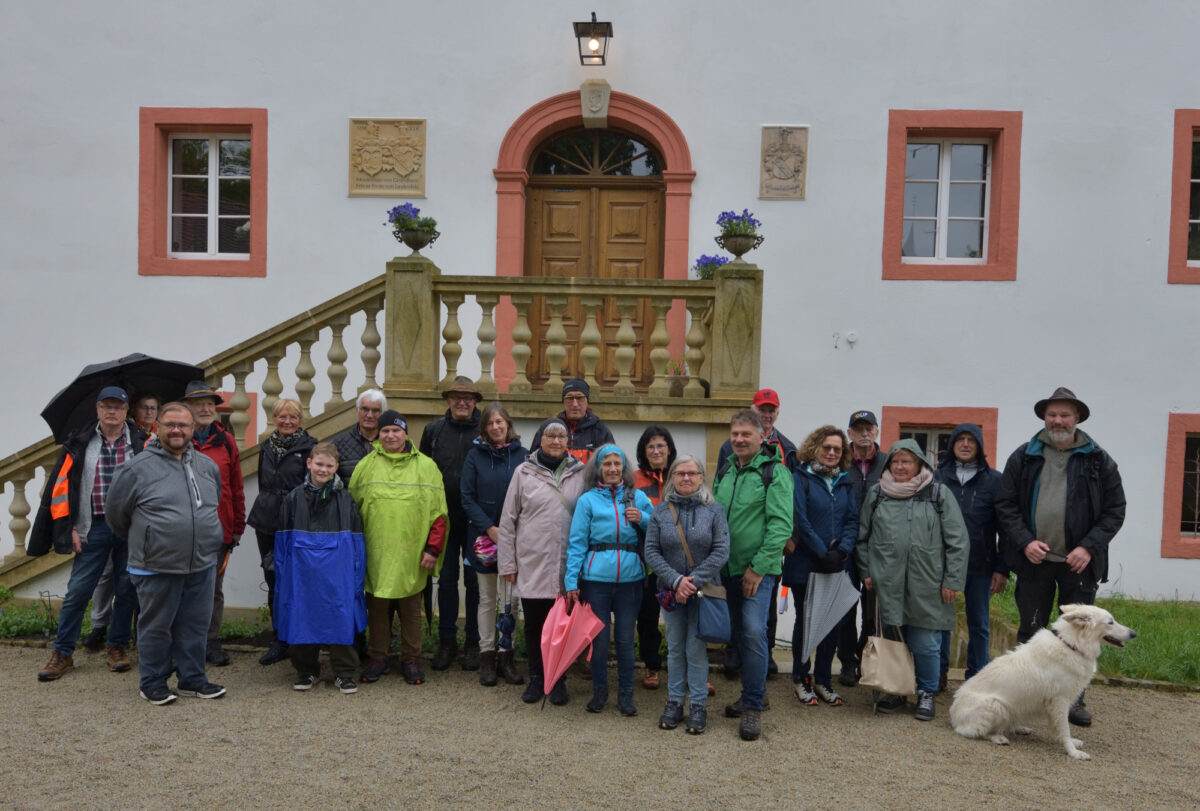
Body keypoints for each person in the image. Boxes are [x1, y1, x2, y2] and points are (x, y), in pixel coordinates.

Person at [995, 387, 1125, 727]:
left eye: (1064, 414)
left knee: (1081, 636)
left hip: (1078, 564)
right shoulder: (1025, 456)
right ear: (1044, 418)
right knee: (1032, 631)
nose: (1057, 420)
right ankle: (1027, 700)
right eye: (1052, 414)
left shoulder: (1098, 459)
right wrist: (1024, 542)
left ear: (1077, 418)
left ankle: (1073, 701)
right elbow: (1005, 505)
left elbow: (1115, 510)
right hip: (1034, 562)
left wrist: (1088, 547)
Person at [105, 402, 226, 704]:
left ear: (192, 429)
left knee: (195, 625)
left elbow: (214, 502)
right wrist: (149, 540)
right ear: (157, 427)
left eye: (182, 425)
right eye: (169, 424)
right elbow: (116, 514)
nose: (176, 430)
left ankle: (192, 679)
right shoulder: (136, 468)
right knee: (156, 627)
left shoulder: (206, 466)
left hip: (201, 563)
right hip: (156, 564)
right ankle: (153, 682)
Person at [31, 386, 149, 681]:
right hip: (91, 526)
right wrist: (69, 527)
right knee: (77, 593)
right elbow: (61, 490)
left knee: (126, 591)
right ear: (97, 410)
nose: (112, 412)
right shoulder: (79, 443)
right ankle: (63, 652)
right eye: (106, 406)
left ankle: (117, 647)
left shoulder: (142, 442)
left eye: (118, 407)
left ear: (126, 411)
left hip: (130, 527)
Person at [857, 439, 968, 721]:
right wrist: (866, 571)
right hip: (887, 581)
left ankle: (926, 692)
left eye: (906, 461)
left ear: (920, 463)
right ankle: (896, 689)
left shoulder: (937, 493)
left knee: (926, 641)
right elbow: (863, 538)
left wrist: (953, 580)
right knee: (895, 638)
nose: (900, 467)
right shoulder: (877, 494)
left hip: (928, 581)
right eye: (895, 461)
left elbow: (958, 541)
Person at [712, 409, 793, 741]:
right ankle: (753, 693)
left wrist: (757, 569)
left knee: (752, 631)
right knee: (737, 634)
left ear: (762, 436)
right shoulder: (727, 471)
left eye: (746, 434)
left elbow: (780, 527)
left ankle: (752, 708)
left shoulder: (775, 473)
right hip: (726, 569)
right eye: (735, 434)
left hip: (757, 572)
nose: (740, 439)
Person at [349, 410, 447, 685]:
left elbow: (439, 514)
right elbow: (352, 512)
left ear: (406, 433)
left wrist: (433, 549)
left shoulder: (426, 466)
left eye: (396, 430)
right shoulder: (365, 466)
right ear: (378, 435)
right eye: (385, 431)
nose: (390, 435)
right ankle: (378, 657)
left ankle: (411, 658)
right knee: (377, 607)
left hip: (413, 554)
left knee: (411, 609)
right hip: (376, 553)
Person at [496, 419, 587, 705]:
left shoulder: (581, 474)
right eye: (551, 436)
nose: (557, 441)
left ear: (567, 441)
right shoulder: (523, 472)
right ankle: (537, 678)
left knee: (562, 628)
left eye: (561, 436)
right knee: (536, 625)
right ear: (541, 440)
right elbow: (508, 521)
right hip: (532, 562)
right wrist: (508, 564)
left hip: (567, 565)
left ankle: (558, 679)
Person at [642, 455, 729, 735]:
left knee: (696, 649)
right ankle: (675, 701)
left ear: (701, 477)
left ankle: (699, 705)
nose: (686, 478)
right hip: (671, 593)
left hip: (704, 594)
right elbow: (651, 551)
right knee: (676, 647)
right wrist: (677, 581)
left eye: (692, 473)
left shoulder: (715, 511)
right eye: (680, 474)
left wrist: (692, 582)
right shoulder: (660, 513)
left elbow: (721, 551)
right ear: (673, 478)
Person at [565, 445, 654, 717]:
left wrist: (643, 519)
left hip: (631, 580)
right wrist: (571, 581)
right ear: (599, 468)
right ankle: (600, 692)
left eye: (617, 463)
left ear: (624, 468)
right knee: (600, 641)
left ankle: (626, 695)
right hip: (596, 581)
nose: (613, 469)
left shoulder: (637, 497)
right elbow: (577, 542)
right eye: (607, 464)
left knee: (626, 640)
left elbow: (659, 531)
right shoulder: (588, 500)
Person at [275, 441, 366, 694]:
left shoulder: (346, 501)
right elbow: (282, 540)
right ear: (309, 464)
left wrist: (357, 574)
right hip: (301, 574)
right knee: (301, 615)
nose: (323, 470)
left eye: (329, 465)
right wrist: (283, 572)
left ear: (336, 466)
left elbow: (357, 542)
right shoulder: (293, 499)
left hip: (338, 574)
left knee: (340, 616)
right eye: (319, 464)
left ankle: (344, 672)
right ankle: (306, 671)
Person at [79, 389, 162, 654]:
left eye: (153, 408)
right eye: (145, 408)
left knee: (131, 580)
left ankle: (123, 636)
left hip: (132, 522)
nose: (149, 412)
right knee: (102, 579)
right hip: (98, 521)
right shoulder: (99, 440)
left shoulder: (150, 440)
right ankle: (99, 624)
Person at [784, 425, 858, 708]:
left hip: (838, 564)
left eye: (837, 449)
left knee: (833, 624)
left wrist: (841, 551)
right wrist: (821, 552)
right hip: (806, 564)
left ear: (843, 453)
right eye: (826, 447)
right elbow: (799, 520)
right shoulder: (800, 478)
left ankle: (823, 679)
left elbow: (853, 520)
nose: (831, 453)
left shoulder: (846, 481)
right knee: (806, 622)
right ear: (815, 448)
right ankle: (801, 679)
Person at [933, 423, 1007, 687]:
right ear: (952, 445)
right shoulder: (937, 477)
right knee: (940, 622)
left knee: (979, 624)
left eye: (971, 440)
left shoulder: (995, 481)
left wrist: (1001, 568)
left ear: (979, 446)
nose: (965, 444)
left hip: (981, 564)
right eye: (960, 439)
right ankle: (937, 674)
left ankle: (977, 678)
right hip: (942, 564)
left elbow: (1004, 527)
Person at [459, 401, 527, 687]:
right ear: (485, 428)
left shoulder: (524, 456)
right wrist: (490, 528)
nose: (496, 427)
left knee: (510, 601)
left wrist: (511, 531)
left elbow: (530, 497)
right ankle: (486, 654)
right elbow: (467, 497)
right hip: (483, 539)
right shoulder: (474, 456)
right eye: (490, 423)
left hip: (516, 539)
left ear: (508, 424)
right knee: (487, 599)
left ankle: (506, 653)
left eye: (500, 422)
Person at [246, 398, 317, 666]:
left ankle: (301, 638)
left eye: (293, 417)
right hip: (266, 521)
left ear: (300, 419)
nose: (287, 421)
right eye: (282, 417)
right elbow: (264, 482)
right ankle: (280, 640)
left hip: (296, 523)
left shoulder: (310, 447)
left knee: (299, 582)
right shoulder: (266, 446)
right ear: (274, 418)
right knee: (274, 580)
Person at [181, 381, 246, 668]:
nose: (206, 408)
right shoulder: (176, 438)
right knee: (180, 586)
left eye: (210, 403)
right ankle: (183, 641)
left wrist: (237, 527)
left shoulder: (226, 440)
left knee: (213, 588)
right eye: (199, 404)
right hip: (182, 529)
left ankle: (210, 640)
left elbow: (236, 486)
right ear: (188, 408)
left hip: (218, 529)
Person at [420, 376, 483, 672]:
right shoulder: (434, 431)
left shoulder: (486, 430)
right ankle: (447, 640)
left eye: (467, 398)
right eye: (456, 397)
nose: (462, 402)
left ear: (475, 403)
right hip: (442, 521)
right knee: (445, 581)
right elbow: (421, 472)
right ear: (448, 400)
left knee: (474, 582)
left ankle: (474, 641)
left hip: (477, 521)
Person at [838, 408, 888, 687]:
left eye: (869, 428)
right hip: (846, 546)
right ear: (850, 434)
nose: (864, 433)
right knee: (846, 606)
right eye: (858, 429)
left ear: (877, 432)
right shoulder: (841, 460)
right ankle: (847, 661)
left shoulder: (888, 462)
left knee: (872, 609)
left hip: (876, 548)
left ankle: (864, 655)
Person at [632, 425, 676, 690]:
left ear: (669, 449)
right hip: (646, 558)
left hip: (678, 557)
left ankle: (691, 668)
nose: (657, 450)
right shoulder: (634, 479)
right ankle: (651, 665)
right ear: (644, 451)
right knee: (647, 615)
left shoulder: (681, 475)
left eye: (661, 445)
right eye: (651, 446)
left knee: (683, 616)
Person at [529, 378, 615, 463]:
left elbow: (612, 464)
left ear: (587, 401)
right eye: (570, 398)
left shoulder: (600, 431)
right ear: (563, 401)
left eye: (580, 398)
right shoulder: (549, 429)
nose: (575, 404)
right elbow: (532, 462)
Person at [331, 389, 387, 485]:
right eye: (365, 409)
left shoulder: (391, 442)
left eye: (375, 411)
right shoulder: (339, 443)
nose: (369, 415)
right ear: (357, 411)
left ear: (383, 413)